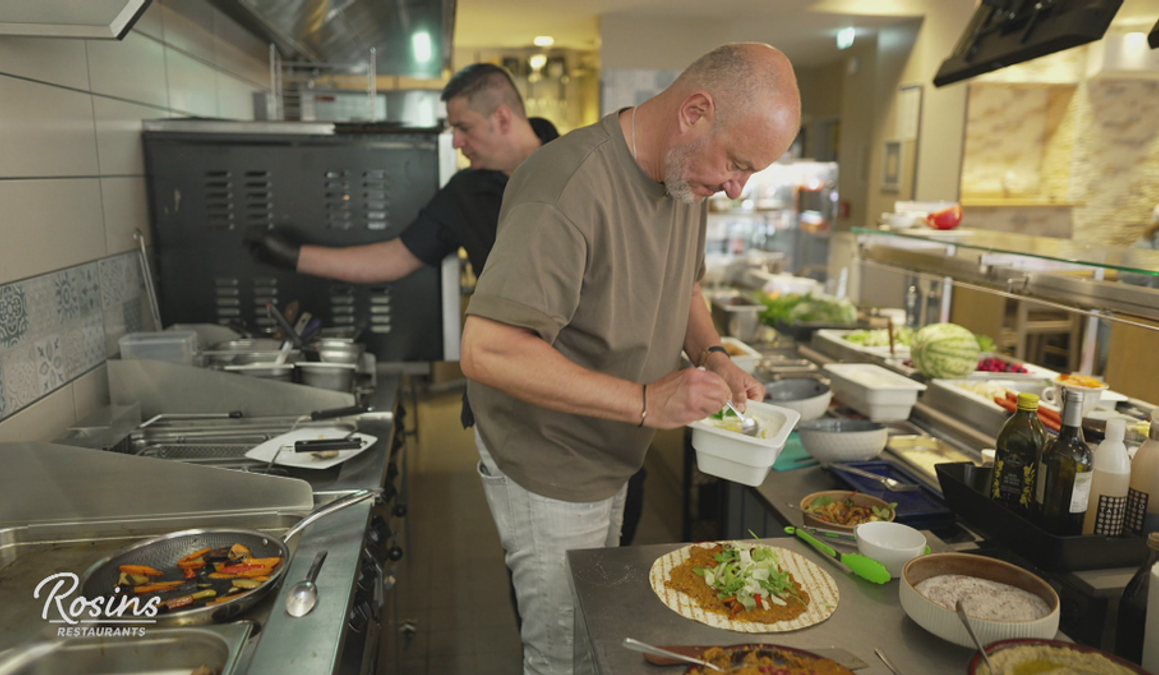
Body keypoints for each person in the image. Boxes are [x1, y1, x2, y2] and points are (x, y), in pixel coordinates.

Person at [460, 43, 801, 675]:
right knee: (560, 657)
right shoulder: (566, 184)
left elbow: (686, 285)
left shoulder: (683, 180)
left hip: (614, 450)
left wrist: (715, 353)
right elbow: (486, 350)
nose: (736, 189)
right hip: (550, 462)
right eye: (737, 164)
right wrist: (648, 401)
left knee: (595, 638)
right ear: (695, 112)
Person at [243, 63, 555, 285]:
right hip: (514, 361)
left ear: (501, 119)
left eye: (464, 128)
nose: (457, 142)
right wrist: (292, 256)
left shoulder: (580, 168)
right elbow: (395, 258)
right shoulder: (465, 191)